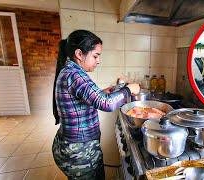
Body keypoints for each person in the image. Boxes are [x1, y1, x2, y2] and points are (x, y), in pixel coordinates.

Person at [52, 30, 140, 180]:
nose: (98, 61)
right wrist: (128, 89)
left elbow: (87, 97)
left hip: (76, 147)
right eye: (95, 56)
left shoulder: (71, 71)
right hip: (80, 151)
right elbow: (105, 103)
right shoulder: (75, 75)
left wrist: (105, 91)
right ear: (79, 54)